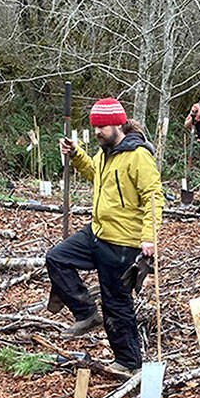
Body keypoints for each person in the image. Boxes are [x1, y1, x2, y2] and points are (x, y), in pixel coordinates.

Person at [47, 98, 163, 375]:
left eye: (103, 126)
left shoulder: (137, 155)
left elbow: (154, 196)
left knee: (116, 303)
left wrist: (149, 236)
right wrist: (76, 155)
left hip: (123, 241)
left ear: (118, 124)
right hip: (97, 233)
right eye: (95, 126)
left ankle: (128, 362)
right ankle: (86, 313)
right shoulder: (105, 153)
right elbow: (94, 175)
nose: (98, 131)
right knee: (57, 258)